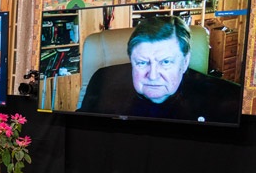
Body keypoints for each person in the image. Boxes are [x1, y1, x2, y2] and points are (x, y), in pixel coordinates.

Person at [78, 16, 241, 124]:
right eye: (142, 63)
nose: (153, 76)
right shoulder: (103, 81)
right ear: (131, 60)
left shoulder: (227, 99)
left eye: (166, 62)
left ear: (184, 62)